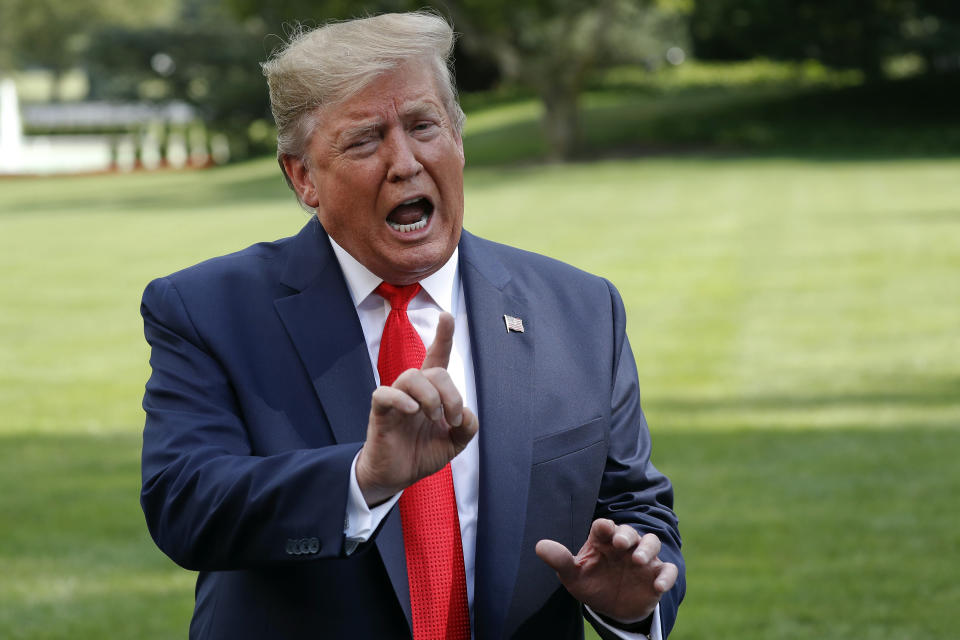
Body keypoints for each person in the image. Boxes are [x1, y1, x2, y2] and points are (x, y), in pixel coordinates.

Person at [140, 11, 684, 640]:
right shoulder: (207, 309)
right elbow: (187, 503)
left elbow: (635, 508)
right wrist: (362, 479)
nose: (404, 162)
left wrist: (632, 601)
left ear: (457, 137)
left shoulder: (582, 310)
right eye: (365, 140)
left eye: (424, 126)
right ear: (303, 178)